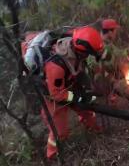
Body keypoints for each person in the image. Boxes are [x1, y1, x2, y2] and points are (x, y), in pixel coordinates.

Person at [42, 26, 104, 159]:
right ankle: (52, 155)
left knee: (88, 109)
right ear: (81, 52)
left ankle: (94, 131)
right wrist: (77, 97)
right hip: (52, 94)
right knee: (60, 131)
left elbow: (79, 71)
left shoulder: (77, 46)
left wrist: (86, 92)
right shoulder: (56, 66)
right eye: (88, 54)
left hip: (69, 82)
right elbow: (56, 94)